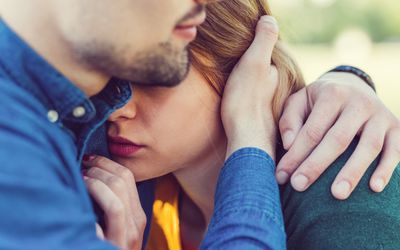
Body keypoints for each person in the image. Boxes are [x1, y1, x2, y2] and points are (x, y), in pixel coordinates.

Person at [82, 0, 400, 249]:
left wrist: (349, 75)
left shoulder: (340, 181)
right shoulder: (127, 194)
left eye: (152, 79)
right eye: (104, 77)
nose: (114, 109)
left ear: (241, 67)